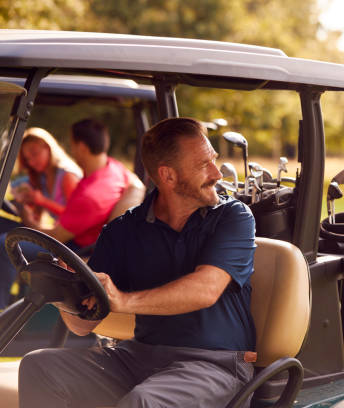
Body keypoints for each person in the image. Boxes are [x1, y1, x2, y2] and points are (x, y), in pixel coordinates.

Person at [18, 117, 257, 408]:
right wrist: (59, 292)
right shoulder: (123, 231)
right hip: (139, 358)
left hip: (214, 365)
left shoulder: (233, 217)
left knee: (145, 401)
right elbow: (82, 325)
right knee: (40, 367)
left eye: (214, 160)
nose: (217, 173)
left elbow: (206, 289)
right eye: (203, 165)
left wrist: (124, 301)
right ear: (167, 176)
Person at [0, 118, 138, 308]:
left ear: (81, 147)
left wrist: (27, 216)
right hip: (77, 239)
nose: (71, 151)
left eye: (72, 145)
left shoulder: (90, 195)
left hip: (76, 250)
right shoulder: (112, 167)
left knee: (3, 244)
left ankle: (1, 309)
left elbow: (57, 236)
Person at [14, 127, 82, 219]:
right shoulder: (41, 177)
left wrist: (43, 201)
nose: (31, 162)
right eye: (27, 159)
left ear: (48, 148)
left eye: (34, 154)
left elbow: (75, 216)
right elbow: (37, 217)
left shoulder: (67, 175)